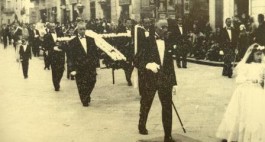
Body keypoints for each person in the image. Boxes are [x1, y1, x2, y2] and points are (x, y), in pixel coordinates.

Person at [134, 20, 178, 142]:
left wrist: (174, 83)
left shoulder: (168, 42)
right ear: (156, 28)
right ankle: (142, 125)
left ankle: (168, 135)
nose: (165, 29)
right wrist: (148, 64)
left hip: (165, 80)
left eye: (167, 27)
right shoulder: (147, 42)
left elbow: (170, 65)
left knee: (167, 107)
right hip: (149, 80)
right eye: (162, 27)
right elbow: (136, 60)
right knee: (146, 104)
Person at [216, 43, 265, 142]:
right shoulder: (245, 66)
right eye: (258, 54)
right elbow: (239, 79)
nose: (260, 57)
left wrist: (262, 80)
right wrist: (252, 80)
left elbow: (262, 80)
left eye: (261, 54)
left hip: (257, 91)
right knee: (243, 114)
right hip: (246, 91)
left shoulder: (262, 66)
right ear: (252, 55)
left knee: (256, 114)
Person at [68, 21, 99, 107]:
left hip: (90, 66)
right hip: (79, 67)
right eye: (80, 29)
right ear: (77, 30)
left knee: (92, 81)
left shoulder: (91, 40)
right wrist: (72, 69)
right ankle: (84, 99)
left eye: (84, 29)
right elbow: (70, 57)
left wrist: (97, 65)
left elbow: (95, 53)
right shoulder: (72, 42)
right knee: (81, 84)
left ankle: (87, 95)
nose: (82, 31)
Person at [43, 23, 66, 91]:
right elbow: (46, 46)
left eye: (53, 26)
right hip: (53, 55)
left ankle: (58, 81)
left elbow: (64, 42)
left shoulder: (60, 33)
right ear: (49, 27)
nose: (53, 28)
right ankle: (56, 85)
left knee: (61, 70)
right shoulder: (47, 36)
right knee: (55, 70)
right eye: (51, 27)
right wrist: (53, 48)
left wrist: (61, 47)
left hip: (61, 54)